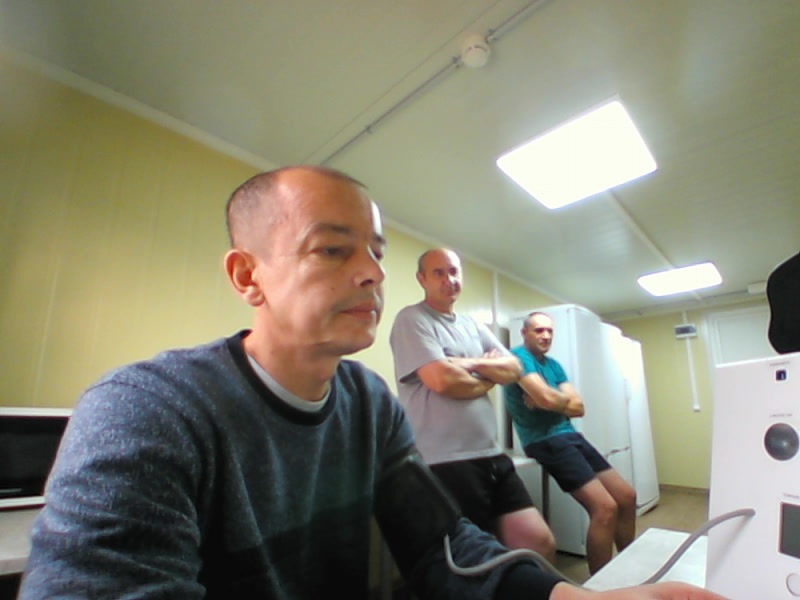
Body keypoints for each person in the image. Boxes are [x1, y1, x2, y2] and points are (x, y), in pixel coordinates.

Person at [19, 166, 729, 600]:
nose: (371, 272)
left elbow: (439, 544)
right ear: (247, 276)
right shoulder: (147, 410)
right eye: (333, 249)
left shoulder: (366, 402)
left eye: (376, 252)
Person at [390, 248, 556, 562]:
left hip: (492, 454)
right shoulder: (412, 319)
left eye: (454, 271)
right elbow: (443, 381)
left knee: (538, 542)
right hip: (446, 461)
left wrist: (468, 363)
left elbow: (515, 368)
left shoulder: (472, 324)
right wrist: (489, 375)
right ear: (422, 279)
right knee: (474, 558)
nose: (448, 279)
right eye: (438, 272)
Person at [505, 311, 638, 574]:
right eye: (539, 330)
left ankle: (628, 568)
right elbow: (550, 399)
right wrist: (552, 399)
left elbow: (578, 408)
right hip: (544, 440)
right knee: (605, 508)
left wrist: (547, 399)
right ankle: (600, 586)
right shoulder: (518, 358)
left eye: (549, 331)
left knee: (626, 496)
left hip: (570, 435)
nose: (546, 335)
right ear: (524, 333)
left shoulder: (553, 365)